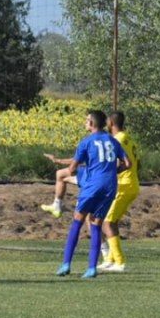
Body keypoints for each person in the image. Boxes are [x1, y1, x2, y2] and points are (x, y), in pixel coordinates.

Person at [56, 110, 130, 278]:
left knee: (77, 221)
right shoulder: (113, 141)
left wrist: (70, 171)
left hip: (93, 186)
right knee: (96, 223)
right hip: (110, 187)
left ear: (92, 124)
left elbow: (73, 168)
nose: (85, 122)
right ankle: (91, 268)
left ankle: (66, 264)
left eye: (86, 119)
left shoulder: (86, 142)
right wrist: (112, 171)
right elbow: (128, 163)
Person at [98, 111, 140, 272]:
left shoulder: (118, 140)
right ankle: (110, 259)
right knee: (110, 221)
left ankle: (120, 262)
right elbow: (138, 163)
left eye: (108, 121)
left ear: (111, 123)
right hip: (130, 183)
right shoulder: (128, 138)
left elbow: (119, 163)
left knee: (107, 222)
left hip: (124, 185)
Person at [40, 154, 87, 218]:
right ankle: (56, 205)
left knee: (84, 216)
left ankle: (57, 206)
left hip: (91, 178)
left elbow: (75, 164)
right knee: (60, 174)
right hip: (90, 174)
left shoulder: (88, 145)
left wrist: (57, 160)